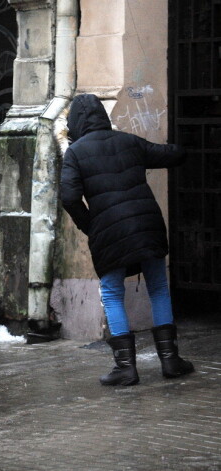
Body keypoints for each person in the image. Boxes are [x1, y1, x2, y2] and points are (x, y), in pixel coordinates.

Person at [60, 93, 194, 386]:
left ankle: (125, 367)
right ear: (102, 117)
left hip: (109, 232)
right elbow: (173, 154)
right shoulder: (129, 142)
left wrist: (91, 226)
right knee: (158, 287)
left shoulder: (76, 153)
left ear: (75, 123)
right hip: (147, 224)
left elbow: (69, 197)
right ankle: (170, 360)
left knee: (111, 293)